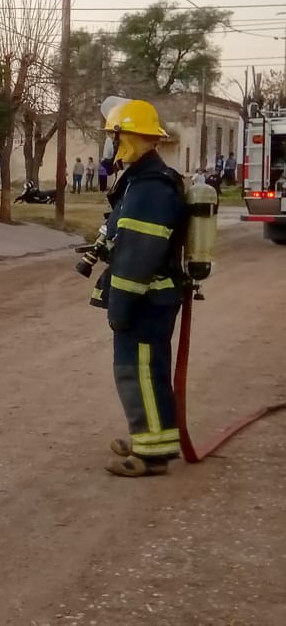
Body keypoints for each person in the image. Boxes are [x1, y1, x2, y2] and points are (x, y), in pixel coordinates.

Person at [89, 98, 188, 477]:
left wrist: (121, 304)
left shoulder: (149, 188)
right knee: (149, 371)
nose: (111, 146)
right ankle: (152, 436)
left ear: (125, 137)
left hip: (146, 298)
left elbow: (138, 255)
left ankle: (150, 456)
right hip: (153, 297)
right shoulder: (145, 180)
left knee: (139, 372)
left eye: (114, 137)